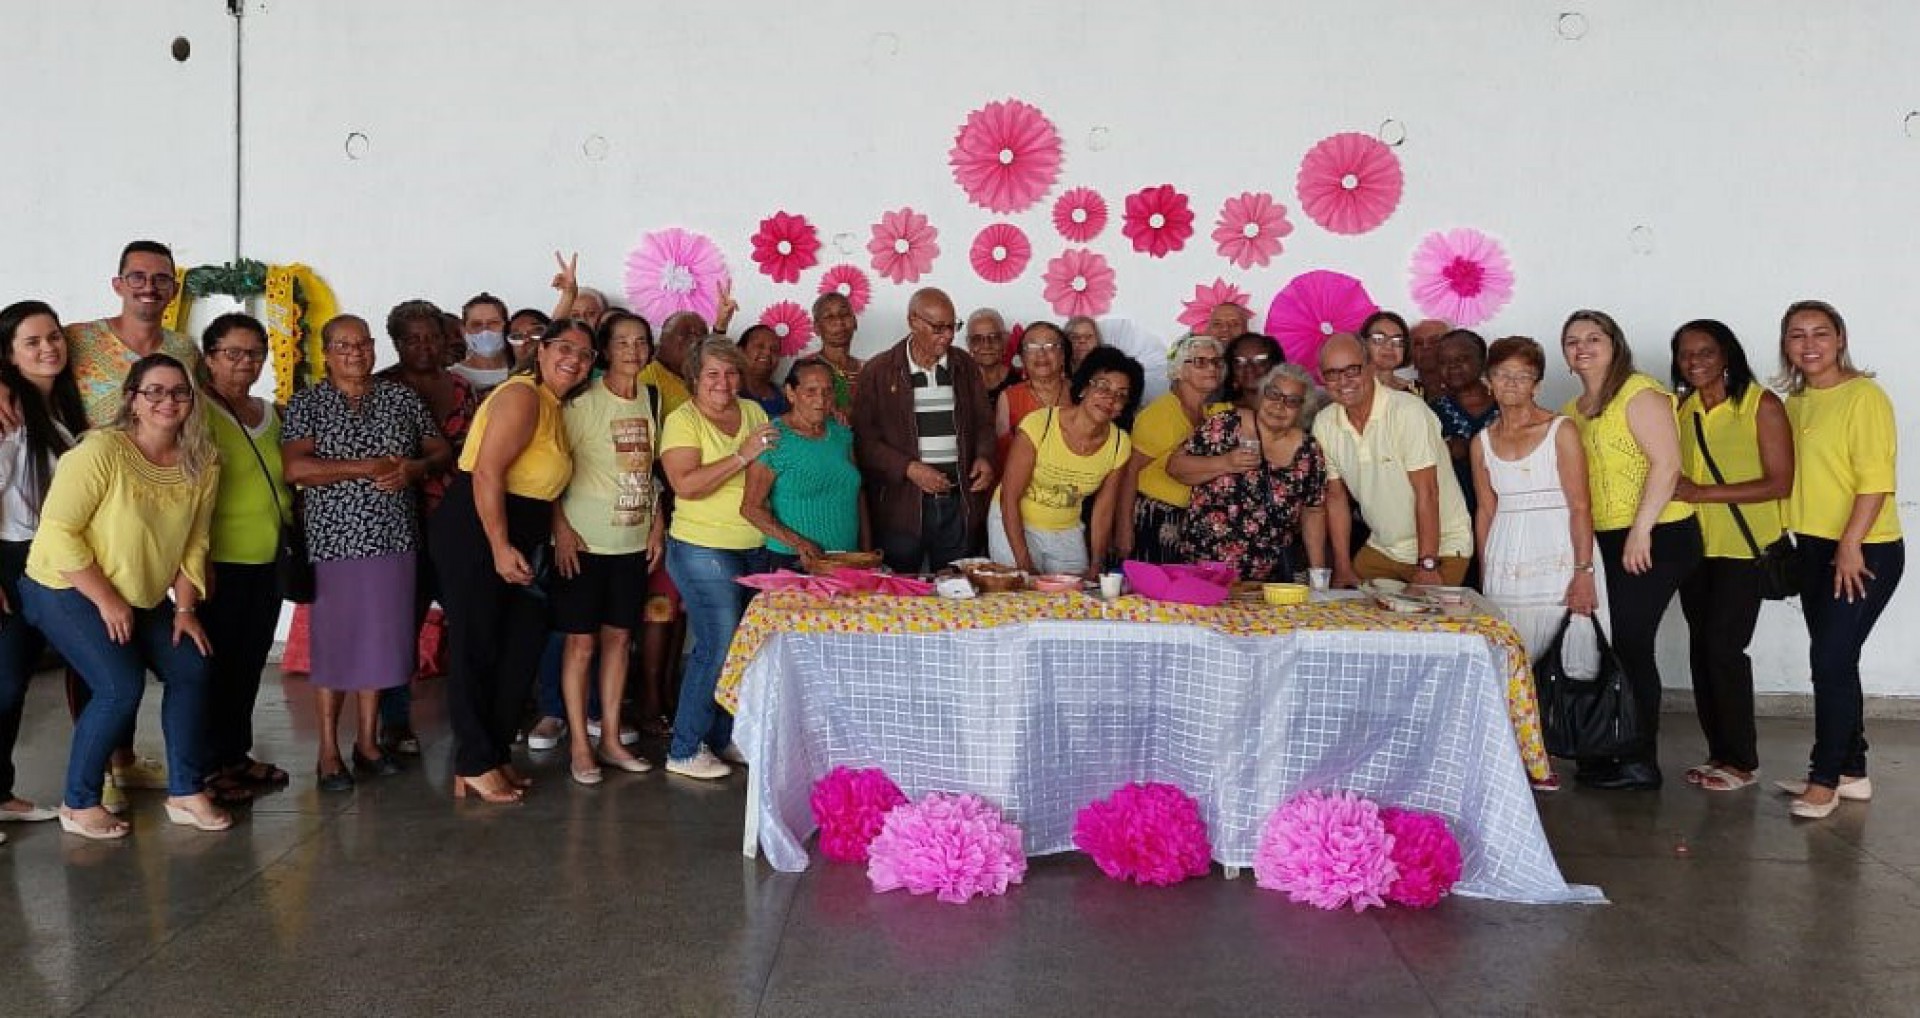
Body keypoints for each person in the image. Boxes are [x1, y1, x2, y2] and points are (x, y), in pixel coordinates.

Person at [21, 354, 226, 839]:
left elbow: (193, 542)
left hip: (141, 592)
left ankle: (185, 791)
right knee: (118, 686)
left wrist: (185, 609)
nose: (167, 401)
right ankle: (79, 803)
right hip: (64, 584)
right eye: (154, 391)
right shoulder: (100, 451)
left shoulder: (202, 461)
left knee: (192, 667)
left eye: (179, 392)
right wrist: (107, 601)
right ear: (132, 399)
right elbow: (58, 533)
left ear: (192, 402)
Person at [47, 240, 205, 798]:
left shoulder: (184, 347)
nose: (149, 287)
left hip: (146, 509)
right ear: (117, 283)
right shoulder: (78, 338)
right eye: (137, 276)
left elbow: (190, 416)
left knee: (142, 643)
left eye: (162, 278)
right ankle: (104, 765)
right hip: (80, 502)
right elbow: (23, 356)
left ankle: (126, 759)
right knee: (98, 654)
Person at [283, 315, 450, 791]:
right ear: (326, 351)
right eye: (343, 345)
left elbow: (441, 451)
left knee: (382, 643)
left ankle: (369, 744)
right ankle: (329, 753)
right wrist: (366, 467)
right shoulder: (308, 402)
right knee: (336, 647)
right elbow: (296, 468)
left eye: (363, 344)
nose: (355, 353)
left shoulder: (400, 397)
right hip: (334, 543)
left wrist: (415, 468)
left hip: (395, 540)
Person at [432, 318, 592, 803]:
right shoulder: (523, 396)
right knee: (476, 645)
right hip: (478, 527)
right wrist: (500, 545)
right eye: (565, 347)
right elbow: (486, 472)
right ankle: (475, 761)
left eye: (585, 354)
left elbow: (545, 486)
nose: (575, 359)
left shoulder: (552, 406)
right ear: (541, 352)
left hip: (523, 527)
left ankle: (492, 754)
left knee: (519, 646)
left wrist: (553, 529)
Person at [1560, 310, 1701, 791]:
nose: (1583, 347)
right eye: (1573, 341)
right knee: (1612, 646)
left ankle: (1640, 761)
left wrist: (1642, 530)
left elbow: (1667, 465)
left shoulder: (1639, 393)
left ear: (1615, 344)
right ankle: (1612, 748)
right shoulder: (1574, 410)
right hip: (1606, 537)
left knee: (1633, 645)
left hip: (1656, 534)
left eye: (1593, 338)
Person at [1772, 300, 1901, 819]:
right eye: (1797, 335)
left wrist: (1850, 545)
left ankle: (1824, 780)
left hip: (1864, 548)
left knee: (1827, 662)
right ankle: (1852, 772)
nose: (1809, 345)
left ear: (1841, 338)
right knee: (1837, 658)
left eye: (1820, 333)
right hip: (1813, 547)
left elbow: (1875, 481)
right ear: (1785, 345)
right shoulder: (1796, 403)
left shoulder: (1864, 396)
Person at [1667, 320, 1793, 793]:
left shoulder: (1760, 405)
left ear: (1727, 356)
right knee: (1702, 649)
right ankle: (1718, 752)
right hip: (1693, 548)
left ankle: (1742, 761)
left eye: (1706, 352)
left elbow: (1780, 481)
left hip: (1744, 549)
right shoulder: (1681, 408)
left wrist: (1703, 493)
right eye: (1685, 354)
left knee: (1724, 648)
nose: (1695, 361)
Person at [551, 312, 665, 785]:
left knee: (620, 639)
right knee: (581, 644)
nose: (633, 350)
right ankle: (580, 744)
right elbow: (552, 469)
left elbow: (652, 470)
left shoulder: (652, 399)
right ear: (604, 350)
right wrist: (559, 528)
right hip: (584, 542)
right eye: (622, 342)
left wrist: (657, 523)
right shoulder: (580, 404)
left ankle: (611, 739)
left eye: (641, 342)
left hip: (632, 543)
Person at [660, 337, 777, 780]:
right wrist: (741, 455)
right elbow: (686, 485)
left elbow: (773, 469)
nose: (723, 382)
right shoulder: (682, 421)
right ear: (694, 377)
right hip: (701, 547)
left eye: (730, 372)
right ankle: (685, 747)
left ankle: (723, 738)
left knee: (745, 647)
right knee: (718, 643)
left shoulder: (752, 412)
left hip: (755, 545)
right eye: (712, 373)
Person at [197, 313, 294, 803]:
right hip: (218, 564)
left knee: (248, 663)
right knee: (212, 667)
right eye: (232, 353)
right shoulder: (196, 410)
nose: (245, 363)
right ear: (209, 357)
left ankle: (235, 754)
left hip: (267, 561)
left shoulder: (272, 413)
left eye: (255, 353)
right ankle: (207, 768)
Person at [375, 299, 479, 755]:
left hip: (455, 521)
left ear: (446, 339)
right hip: (398, 524)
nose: (422, 346)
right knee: (401, 624)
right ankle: (394, 720)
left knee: (467, 620)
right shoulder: (379, 388)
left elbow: (476, 452)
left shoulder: (460, 388)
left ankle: (468, 713)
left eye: (431, 337)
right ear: (396, 343)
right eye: (411, 339)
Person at [0, 301, 88, 830]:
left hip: (51, 560)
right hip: (12, 558)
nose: (48, 348)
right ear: (8, 356)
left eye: (53, 336)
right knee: (5, 682)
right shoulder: (9, 415)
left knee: (19, 681)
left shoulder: (60, 410)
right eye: (32, 342)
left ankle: (2, 793)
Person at [1470, 337, 1603, 658]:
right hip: (1505, 561)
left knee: (1567, 658)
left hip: (1559, 554)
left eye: (1523, 375)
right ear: (1489, 382)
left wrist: (1583, 572)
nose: (1512, 382)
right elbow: (1486, 511)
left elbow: (1580, 506)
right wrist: (1486, 575)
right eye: (1502, 374)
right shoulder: (1482, 442)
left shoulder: (1561, 430)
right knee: (1510, 657)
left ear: (1537, 386)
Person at [853, 288, 996, 574]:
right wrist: (908, 468)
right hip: (901, 508)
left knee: (955, 590)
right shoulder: (879, 371)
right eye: (938, 327)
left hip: (958, 503)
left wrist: (984, 456)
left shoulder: (964, 366)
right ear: (913, 321)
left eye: (952, 326)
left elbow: (983, 423)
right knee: (901, 592)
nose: (948, 336)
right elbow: (864, 442)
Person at [1315, 333, 1473, 587]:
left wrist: (1428, 564)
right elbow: (1336, 498)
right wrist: (1343, 566)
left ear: (1370, 368)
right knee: (1352, 616)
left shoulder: (1408, 411)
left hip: (1442, 546)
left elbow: (1427, 492)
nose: (1343, 381)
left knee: (1427, 623)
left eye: (1352, 370)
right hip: (1384, 548)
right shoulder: (1325, 423)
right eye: (1332, 373)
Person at [1170, 362, 1327, 582]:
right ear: (1262, 394)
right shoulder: (1226, 425)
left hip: (1268, 580)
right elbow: (1176, 467)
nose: (1279, 406)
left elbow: (1313, 512)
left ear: (1303, 409)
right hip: (1205, 570)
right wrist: (1225, 463)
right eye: (1274, 394)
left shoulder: (1309, 451)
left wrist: (1318, 574)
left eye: (1292, 401)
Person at [989, 346, 1138, 577]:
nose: (1110, 399)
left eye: (1121, 394)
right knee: (1021, 597)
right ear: (1083, 389)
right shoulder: (1039, 425)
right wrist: (1023, 563)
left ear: (1124, 407)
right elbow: (1009, 497)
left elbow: (1103, 509)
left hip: (1066, 529)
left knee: (1074, 600)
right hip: (1014, 522)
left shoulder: (1120, 444)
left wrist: (1096, 563)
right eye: (1102, 387)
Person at [742, 358, 867, 571]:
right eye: (811, 391)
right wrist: (799, 543)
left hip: (848, 559)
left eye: (827, 391)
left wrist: (866, 551)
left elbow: (858, 494)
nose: (821, 399)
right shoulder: (774, 438)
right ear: (791, 393)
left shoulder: (841, 433)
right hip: (796, 561)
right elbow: (751, 508)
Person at [1116, 334, 1227, 563]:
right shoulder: (1160, 414)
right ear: (1180, 370)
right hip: (1154, 518)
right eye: (1200, 362)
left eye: (1216, 362)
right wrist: (1124, 529)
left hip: (1189, 520)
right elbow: (1128, 472)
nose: (1211, 368)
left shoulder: (1214, 411)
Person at [1432, 329, 1499, 514]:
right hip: (1454, 517)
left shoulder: (1507, 406)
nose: (1452, 366)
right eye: (1444, 362)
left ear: (1483, 361)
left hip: (1503, 515)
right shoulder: (1431, 412)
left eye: (1462, 359)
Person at [994, 322, 1071, 465]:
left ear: (1063, 355)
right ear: (1022, 358)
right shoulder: (1008, 397)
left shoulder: (1079, 393)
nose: (1041, 354)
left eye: (1050, 346)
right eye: (1032, 347)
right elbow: (1002, 454)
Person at [450, 293, 514, 393]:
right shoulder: (452, 377)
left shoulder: (523, 373)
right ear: (463, 330)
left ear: (508, 326)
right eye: (476, 324)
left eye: (493, 323)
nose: (485, 330)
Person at [812, 292, 863, 415]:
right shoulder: (806, 368)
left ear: (855, 322)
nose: (839, 322)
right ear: (817, 328)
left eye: (844, 315)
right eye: (829, 317)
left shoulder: (868, 369)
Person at [966, 308, 1020, 405]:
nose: (986, 345)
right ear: (969, 344)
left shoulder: (1021, 382)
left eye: (994, 337)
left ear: (1005, 340)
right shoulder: (960, 384)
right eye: (977, 339)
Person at [1220, 333, 1285, 410]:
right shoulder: (1219, 412)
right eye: (1240, 361)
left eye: (1259, 360)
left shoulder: (1290, 409)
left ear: (1275, 364)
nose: (1249, 368)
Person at [736, 325, 790, 418]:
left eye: (774, 349)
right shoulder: (728, 392)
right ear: (740, 351)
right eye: (759, 346)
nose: (767, 353)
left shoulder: (787, 397)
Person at [1360, 311, 1416, 394]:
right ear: (1363, 343)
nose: (1389, 346)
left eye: (1397, 340)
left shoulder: (1414, 389)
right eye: (1379, 338)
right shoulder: (1350, 388)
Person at [1407, 318, 1451, 399]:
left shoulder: (1470, 391)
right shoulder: (1403, 394)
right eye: (1418, 343)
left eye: (1434, 341)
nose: (1425, 347)